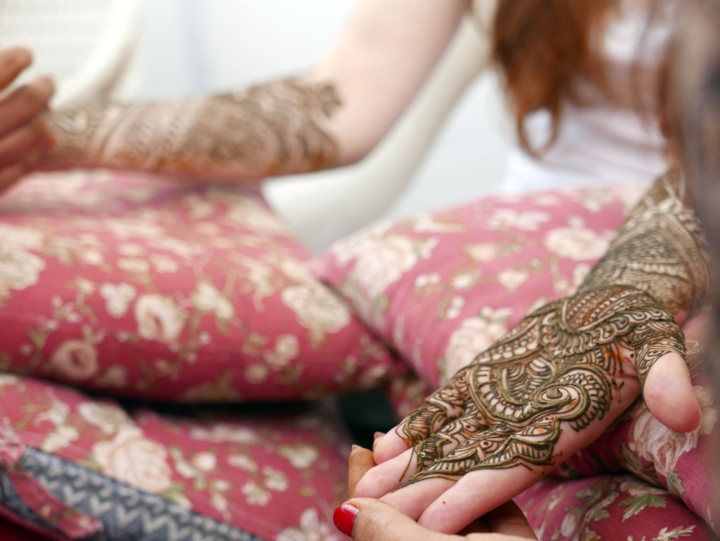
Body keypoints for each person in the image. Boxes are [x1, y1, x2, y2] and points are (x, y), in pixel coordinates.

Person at [0, 0, 710, 537]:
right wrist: (48, 137)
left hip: (677, 269)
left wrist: (620, 296)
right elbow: (340, 100)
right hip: (496, 266)